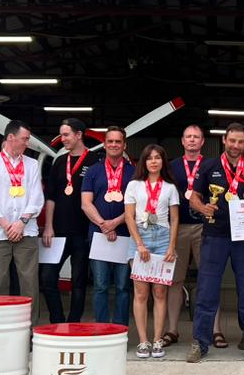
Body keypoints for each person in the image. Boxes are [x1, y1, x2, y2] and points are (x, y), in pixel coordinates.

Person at [187, 123, 244, 363]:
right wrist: (203, 208)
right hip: (215, 235)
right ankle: (200, 343)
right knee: (207, 289)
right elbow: (194, 198)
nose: (236, 146)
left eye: (240, 142)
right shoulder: (209, 166)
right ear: (224, 140)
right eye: (232, 141)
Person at [0, 120, 44, 322]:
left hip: (26, 230)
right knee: (0, 281)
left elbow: (37, 197)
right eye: (24, 139)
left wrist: (21, 223)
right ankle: (1, 327)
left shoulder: (32, 164)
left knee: (29, 281)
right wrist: (7, 225)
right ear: (10, 137)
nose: (27, 143)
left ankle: (30, 327)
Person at [124, 144, 180, 358]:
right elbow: (129, 216)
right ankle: (143, 341)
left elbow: (175, 219)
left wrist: (172, 246)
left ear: (163, 161)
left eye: (158, 157)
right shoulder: (134, 185)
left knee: (160, 292)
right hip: (140, 236)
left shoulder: (170, 187)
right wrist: (139, 244)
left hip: (163, 237)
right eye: (149, 158)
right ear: (144, 162)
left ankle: (157, 340)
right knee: (141, 293)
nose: (154, 161)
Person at [40, 118, 94, 322]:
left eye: (66, 135)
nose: (62, 139)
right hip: (58, 232)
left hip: (83, 232)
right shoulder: (59, 161)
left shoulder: (95, 161)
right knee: (47, 277)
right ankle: (57, 321)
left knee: (78, 282)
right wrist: (48, 227)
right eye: (61, 135)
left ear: (78, 135)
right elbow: (51, 197)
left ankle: (73, 323)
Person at [82, 126, 136, 325]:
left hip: (126, 234)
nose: (114, 145)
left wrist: (115, 223)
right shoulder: (93, 171)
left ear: (124, 145)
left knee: (123, 286)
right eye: (110, 141)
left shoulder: (134, 172)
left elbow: (137, 205)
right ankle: (102, 329)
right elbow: (85, 203)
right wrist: (104, 225)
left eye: (118, 141)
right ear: (104, 144)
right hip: (99, 235)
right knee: (100, 285)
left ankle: (120, 329)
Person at [165, 124, 208, 347]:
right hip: (178, 227)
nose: (192, 140)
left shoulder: (211, 165)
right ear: (182, 141)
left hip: (204, 227)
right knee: (175, 280)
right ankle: (172, 330)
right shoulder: (171, 166)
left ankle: (215, 330)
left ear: (202, 141)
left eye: (196, 137)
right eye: (188, 136)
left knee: (209, 279)